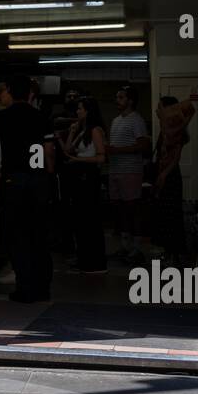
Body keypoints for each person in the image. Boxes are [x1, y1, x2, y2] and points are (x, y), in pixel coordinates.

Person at [0, 74, 55, 302]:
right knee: (39, 234)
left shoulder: (1, 118)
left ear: (10, 90)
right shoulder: (41, 117)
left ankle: (25, 287)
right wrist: (47, 176)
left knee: (18, 236)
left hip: (14, 181)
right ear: (30, 94)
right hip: (38, 180)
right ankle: (43, 287)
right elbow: (49, 151)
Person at [58, 96, 108, 271]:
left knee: (89, 219)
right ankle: (85, 257)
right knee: (81, 220)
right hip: (79, 176)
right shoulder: (82, 130)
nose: (77, 112)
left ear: (88, 111)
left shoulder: (94, 130)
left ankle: (95, 261)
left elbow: (101, 156)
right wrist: (71, 131)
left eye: (80, 109)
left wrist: (79, 160)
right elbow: (68, 150)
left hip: (89, 176)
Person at [106, 84, 151, 264]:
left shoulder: (136, 120)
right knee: (120, 209)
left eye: (121, 97)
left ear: (130, 100)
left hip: (130, 170)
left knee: (132, 208)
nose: (117, 100)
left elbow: (142, 145)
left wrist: (117, 151)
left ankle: (137, 247)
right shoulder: (116, 120)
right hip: (115, 170)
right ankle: (125, 246)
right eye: (117, 97)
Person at [153, 93, 198, 264]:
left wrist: (163, 175)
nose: (158, 110)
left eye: (160, 107)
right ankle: (169, 251)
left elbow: (175, 157)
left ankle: (174, 254)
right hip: (166, 174)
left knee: (171, 214)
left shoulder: (174, 131)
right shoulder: (166, 129)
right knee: (165, 214)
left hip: (170, 175)